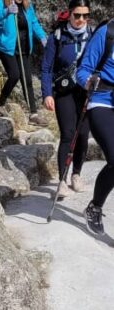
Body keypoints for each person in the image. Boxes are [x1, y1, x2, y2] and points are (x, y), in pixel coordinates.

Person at [41, 0, 92, 198]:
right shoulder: (58, 36)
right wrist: (46, 93)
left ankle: (76, 175)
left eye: (85, 16)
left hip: (86, 91)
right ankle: (62, 180)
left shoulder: (93, 35)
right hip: (64, 91)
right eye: (77, 15)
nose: (81, 20)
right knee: (68, 134)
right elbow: (46, 67)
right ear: (69, 14)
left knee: (84, 134)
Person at [77, 18, 114, 235]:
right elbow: (83, 70)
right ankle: (94, 207)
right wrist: (89, 81)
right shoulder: (107, 33)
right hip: (102, 100)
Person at [0, 0, 48, 126]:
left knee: (27, 80)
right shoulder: (2, 2)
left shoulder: (27, 5)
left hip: (24, 47)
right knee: (14, 75)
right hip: (6, 47)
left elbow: (34, 22)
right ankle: (0, 105)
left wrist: (42, 37)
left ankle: (33, 114)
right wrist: (6, 11)